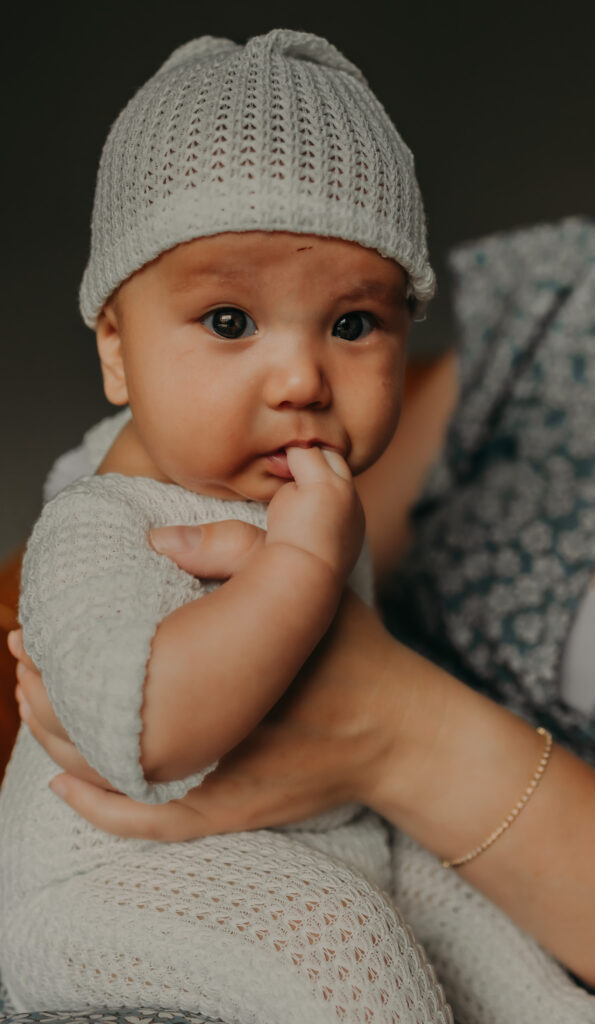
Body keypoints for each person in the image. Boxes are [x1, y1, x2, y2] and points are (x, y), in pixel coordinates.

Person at [2, 27, 594, 1024]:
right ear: (115, 348)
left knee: (487, 937)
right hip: (115, 889)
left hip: (329, 835)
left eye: (352, 323)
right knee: (344, 946)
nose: (301, 379)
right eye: (229, 322)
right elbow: (149, 730)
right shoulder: (97, 522)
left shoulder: (299, 496)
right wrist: (304, 566)